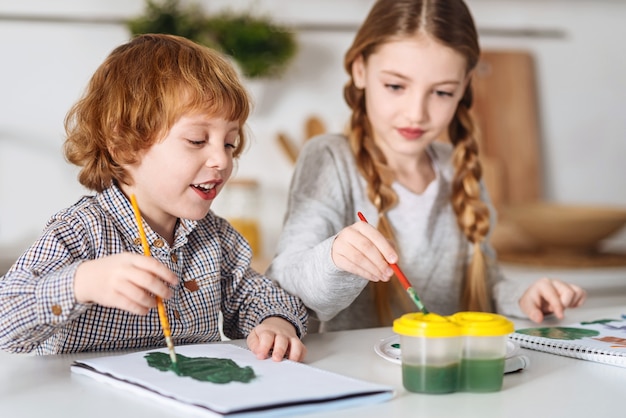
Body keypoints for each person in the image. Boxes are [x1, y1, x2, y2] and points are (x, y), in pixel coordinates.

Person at [267, 0, 586, 332]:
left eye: (442, 92)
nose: (416, 113)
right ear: (360, 70)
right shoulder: (329, 158)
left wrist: (522, 296)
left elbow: (483, 284)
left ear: (464, 87)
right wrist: (335, 258)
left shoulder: (458, 168)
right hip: (363, 376)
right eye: (395, 86)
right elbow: (286, 289)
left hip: (451, 374)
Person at [0, 34, 308, 361]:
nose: (222, 159)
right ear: (124, 145)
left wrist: (275, 323)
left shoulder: (215, 236)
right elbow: (5, 318)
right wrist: (82, 283)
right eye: (196, 140)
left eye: (229, 143)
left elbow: (259, 296)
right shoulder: (79, 231)